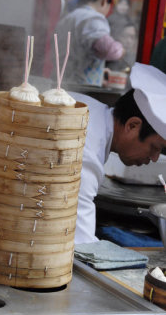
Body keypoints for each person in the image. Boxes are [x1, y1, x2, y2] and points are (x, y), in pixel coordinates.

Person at [71, 62, 166, 243]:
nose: (154, 158)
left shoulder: (94, 111)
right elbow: (81, 244)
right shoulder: (86, 149)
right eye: (155, 147)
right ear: (132, 125)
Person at [55, 0, 125, 87]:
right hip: (80, 92)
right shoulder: (93, 19)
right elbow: (111, 50)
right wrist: (122, 51)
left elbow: (80, 54)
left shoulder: (70, 17)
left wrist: (98, 73)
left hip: (60, 84)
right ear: (104, 1)